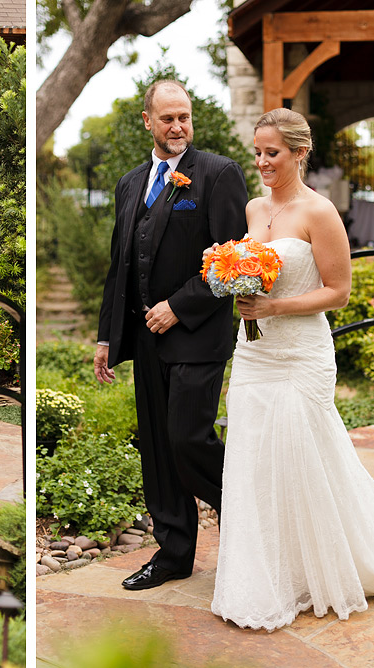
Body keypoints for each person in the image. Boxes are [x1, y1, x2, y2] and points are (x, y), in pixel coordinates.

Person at [209, 108, 374, 631]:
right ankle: (268, 575)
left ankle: (336, 561)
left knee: (306, 456)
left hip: (300, 355)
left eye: (273, 153)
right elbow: (254, 272)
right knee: (252, 459)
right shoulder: (253, 207)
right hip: (255, 353)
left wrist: (274, 307)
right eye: (258, 152)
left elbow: (338, 291)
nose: (262, 161)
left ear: (299, 153)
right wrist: (234, 285)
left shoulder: (320, 212)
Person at [94, 80, 249, 590]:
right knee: (159, 450)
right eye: (168, 119)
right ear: (148, 122)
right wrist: (107, 338)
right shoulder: (129, 183)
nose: (178, 126)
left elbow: (232, 261)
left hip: (198, 336)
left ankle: (249, 510)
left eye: (184, 117)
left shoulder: (218, 174)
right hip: (145, 339)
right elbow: (119, 266)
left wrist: (178, 308)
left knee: (187, 439)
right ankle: (174, 554)